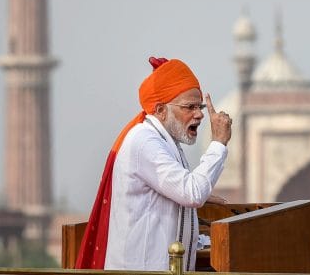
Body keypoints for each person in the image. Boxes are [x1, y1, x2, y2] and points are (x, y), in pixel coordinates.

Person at [75, 56, 232, 270]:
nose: (199, 115)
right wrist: (218, 144)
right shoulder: (144, 141)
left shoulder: (167, 142)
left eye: (200, 106)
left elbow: (184, 193)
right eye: (190, 107)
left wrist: (200, 198)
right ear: (160, 110)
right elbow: (192, 193)